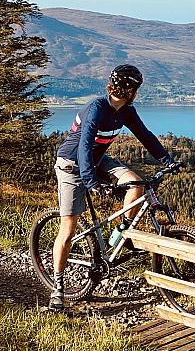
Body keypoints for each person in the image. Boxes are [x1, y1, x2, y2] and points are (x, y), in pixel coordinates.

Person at [50, 64, 178, 311]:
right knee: (68, 228)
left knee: (137, 183)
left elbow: (145, 135)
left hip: (97, 161)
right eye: (136, 88)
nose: (137, 93)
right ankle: (58, 285)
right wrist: (90, 181)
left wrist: (166, 159)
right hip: (71, 164)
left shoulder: (127, 111)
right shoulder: (97, 109)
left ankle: (120, 233)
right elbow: (84, 146)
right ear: (130, 89)